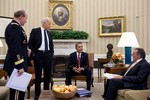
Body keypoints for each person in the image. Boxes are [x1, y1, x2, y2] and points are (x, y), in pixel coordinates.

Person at [3, 9, 29, 100]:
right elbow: (15, 48)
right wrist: (20, 66)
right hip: (16, 65)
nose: (26, 20)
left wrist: (26, 49)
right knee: (17, 91)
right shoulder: (14, 27)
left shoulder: (17, 26)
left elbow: (20, 44)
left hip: (18, 63)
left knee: (20, 89)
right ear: (21, 17)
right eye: (26, 18)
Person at [28, 17, 54, 99]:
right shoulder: (35, 31)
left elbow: (51, 45)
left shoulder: (49, 33)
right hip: (38, 55)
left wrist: (51, 53)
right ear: (44, 23)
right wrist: (34, 54)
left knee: (47, 75)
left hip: (48, 55)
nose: (50, 25)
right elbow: (30, 44)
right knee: (38, 75)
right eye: (49, 24)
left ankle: (46, 93)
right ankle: (37, 94)